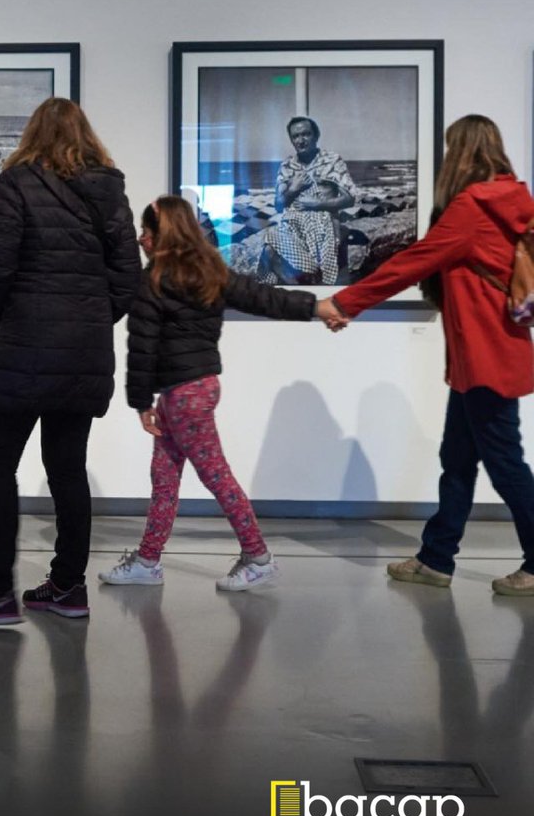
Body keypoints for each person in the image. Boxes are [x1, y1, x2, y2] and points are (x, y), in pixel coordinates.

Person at [0, 97, 141, 625]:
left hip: (25, 343)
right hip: (84, 350)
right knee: (67, 466)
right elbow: (127, 279)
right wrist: (93, 318)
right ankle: (69, 587)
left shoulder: (18, 182)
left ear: (32, 134)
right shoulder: (110, 189)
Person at [322, 115, 534, 597]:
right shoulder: (508, 200)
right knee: (457, 460)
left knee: (506, 466)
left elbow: (412, 262)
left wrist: (345, 302)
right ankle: (436, 559)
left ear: (458, 153)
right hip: (486, 357)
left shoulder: (473, 207)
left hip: (485, 360)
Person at [99, 195, 336, 592]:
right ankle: (148, 559)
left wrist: (139, 402)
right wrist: (316, 308)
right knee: (164, 477)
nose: (141, 239)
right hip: (197, 388)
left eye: (146, 231)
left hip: (183, 396)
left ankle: (259, 558)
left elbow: (141, 346)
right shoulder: (210, 271)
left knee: (217, 478)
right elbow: (267, 299)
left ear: (163, 236)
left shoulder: (153, 280)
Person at [259, 116, 357, 285]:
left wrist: (317, 204)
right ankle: (302, 283)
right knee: (269, 246)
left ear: (316, 136)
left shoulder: (331, 160)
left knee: (326, 269)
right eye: (295, 137)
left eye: (306, 134)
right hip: (293, 226)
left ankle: (311, 282)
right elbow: (278, 205)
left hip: (323, 225)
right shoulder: (287, 166)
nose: (301, 140)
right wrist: (293, 189)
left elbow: (350, 198)